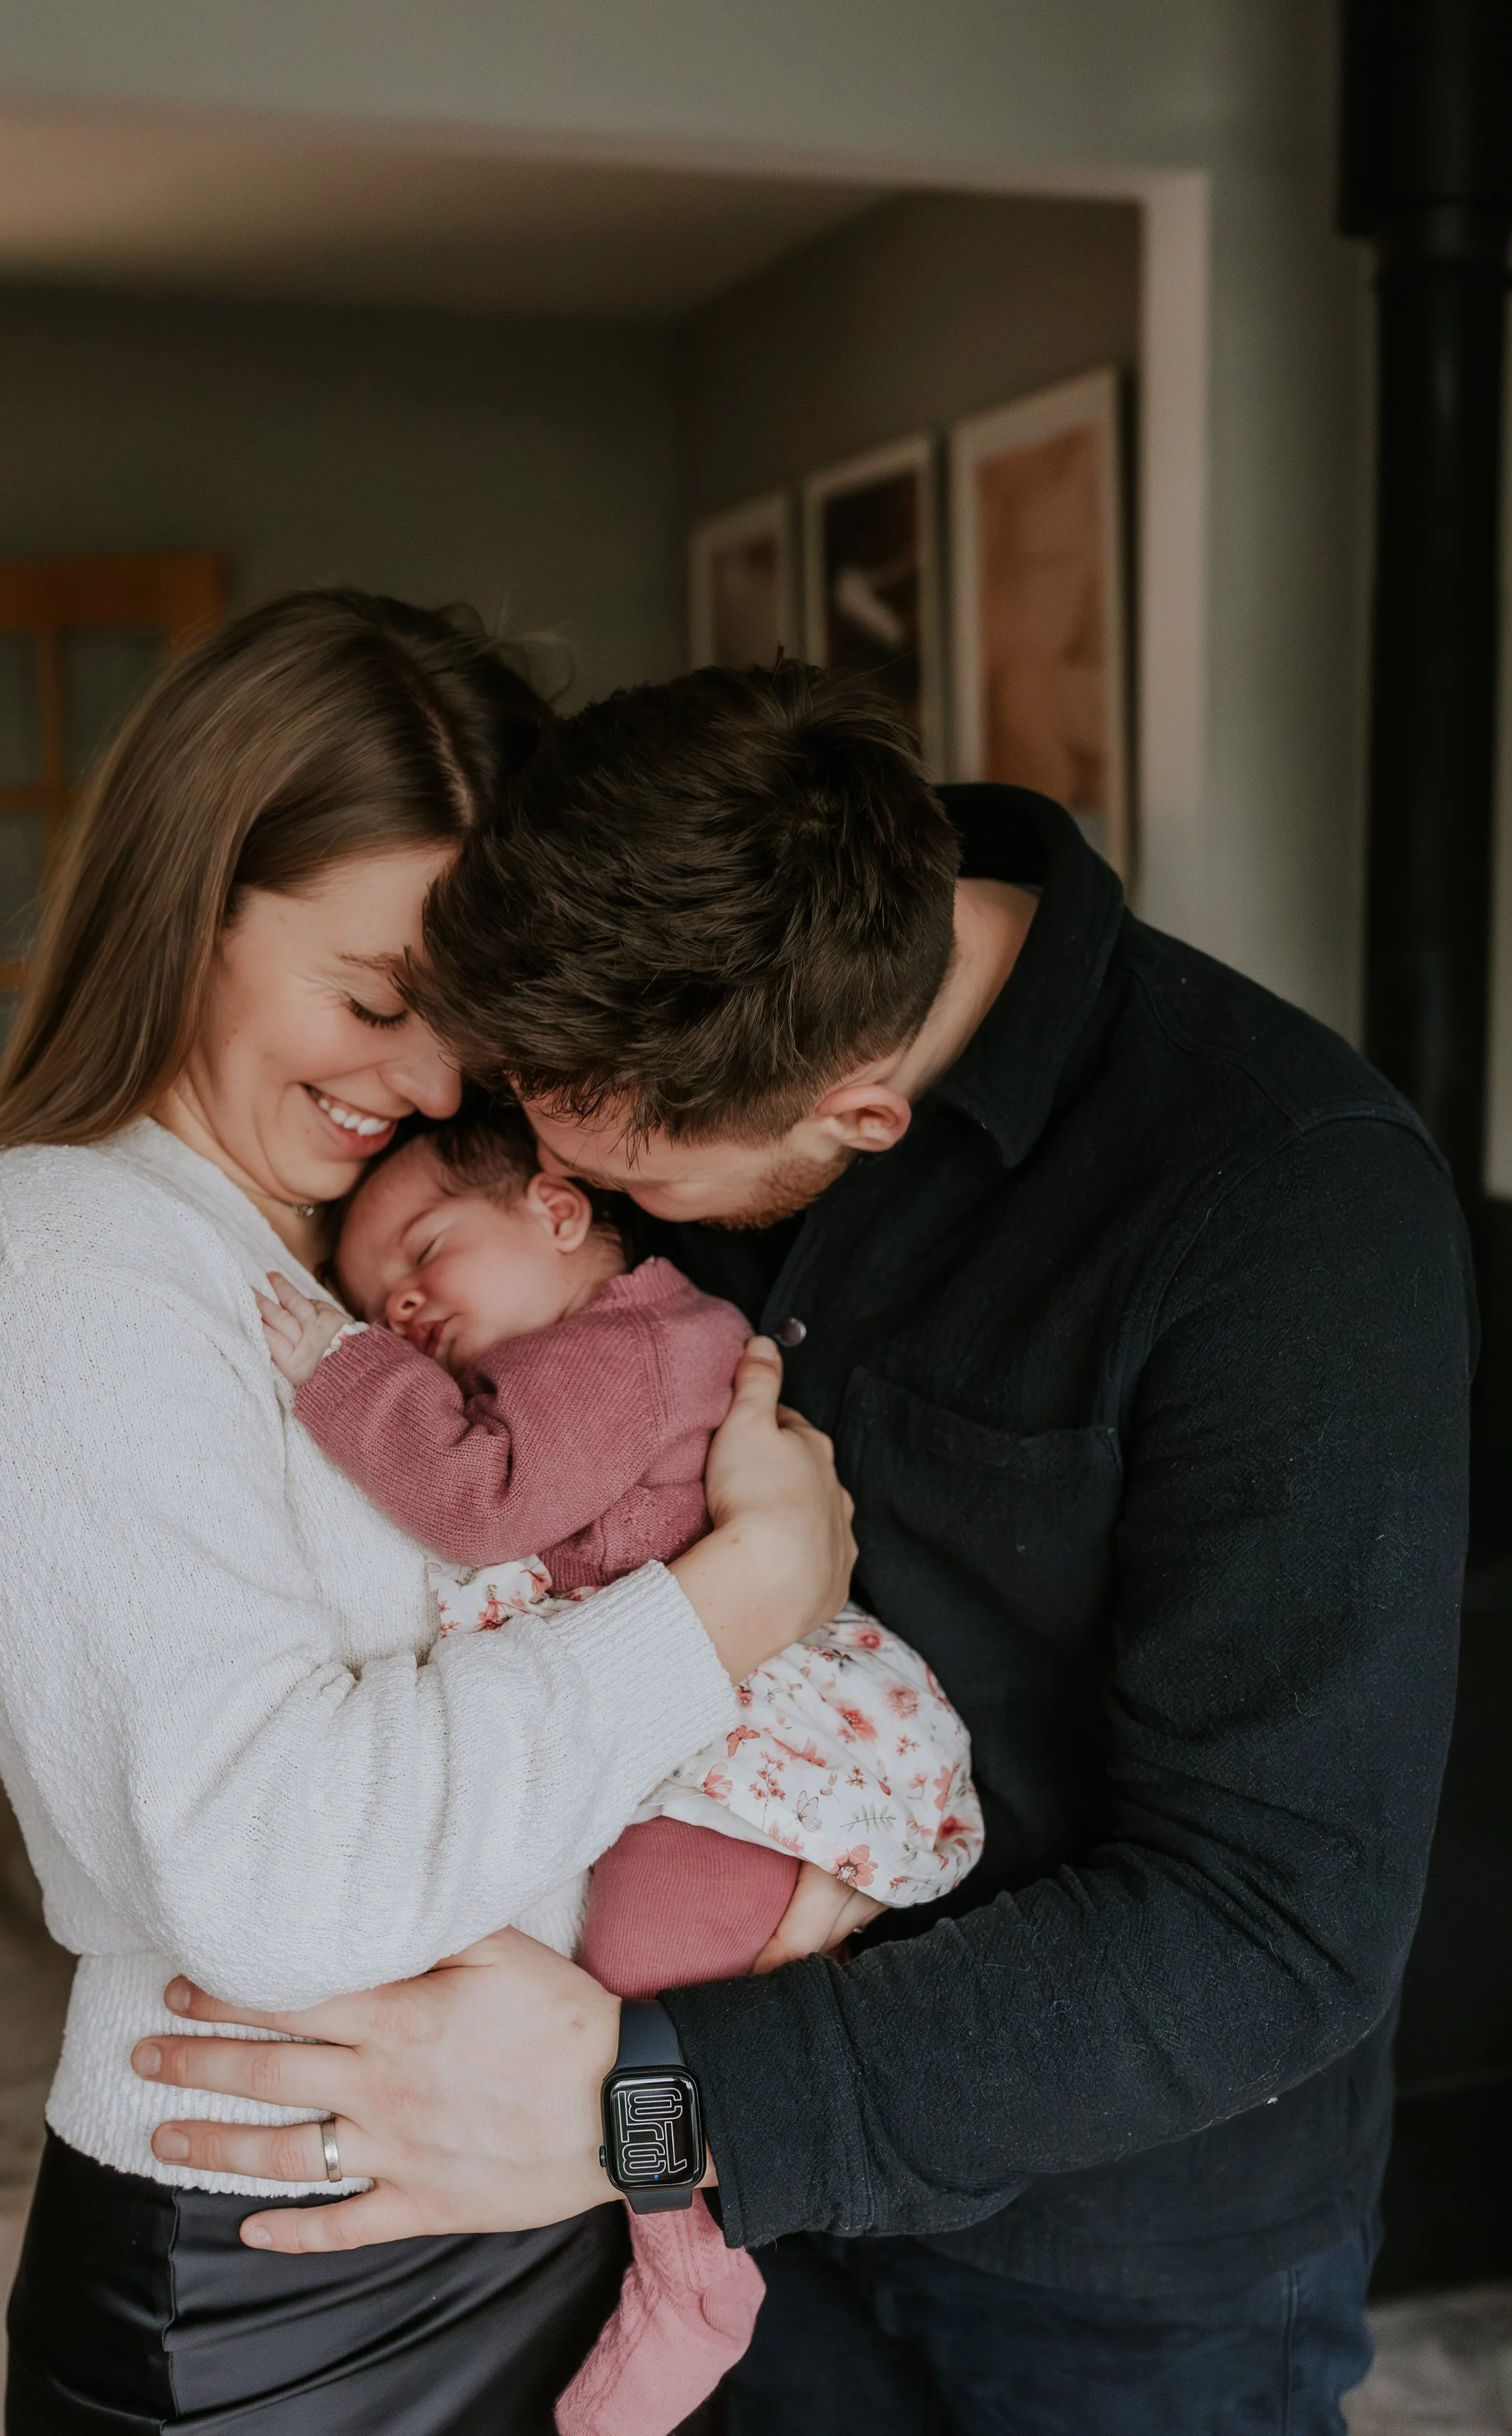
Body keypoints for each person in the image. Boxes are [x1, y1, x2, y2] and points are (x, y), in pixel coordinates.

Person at [135, 660, 1474, 2436]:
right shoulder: (664, 1017)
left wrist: (647, 2106)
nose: (551, 1182)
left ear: (858, 1114)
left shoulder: (1287, 1206)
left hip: (1112, 2278)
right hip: (722, 2237)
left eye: (631, 1180)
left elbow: (1275, 1930)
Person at [0, 601, 856, 2436]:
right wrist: (738, 1603)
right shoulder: (66, 1275)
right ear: (191, 898)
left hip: (492, 2182)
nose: (421, 1088)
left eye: (461, 1035)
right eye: (376, 1001)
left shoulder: (293, 1248)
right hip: (281, 2279)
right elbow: (269, 1872)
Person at [256, 1103, 979, 2435]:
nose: (401, 1300)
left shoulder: (626, 1344)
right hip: (722, 1719)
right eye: (369, 1295)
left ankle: (690, 2266)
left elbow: (485, 1497)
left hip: (754, 1741)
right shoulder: (608, 1340)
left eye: (427, 1248)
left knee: (640, 1983)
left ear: (559, 1204)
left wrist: (339, 1366)